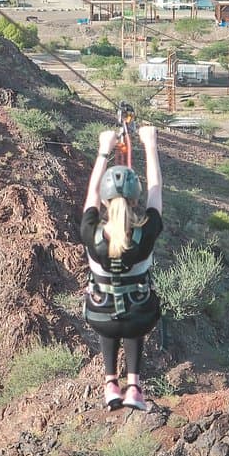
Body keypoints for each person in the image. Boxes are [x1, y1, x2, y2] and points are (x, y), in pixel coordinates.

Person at [80, 124, 163, 411]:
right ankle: (134, 388)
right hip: (140, 315)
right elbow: (156, 191)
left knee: (110, 322)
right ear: (136, 200)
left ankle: (110, 385)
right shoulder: (147, 231)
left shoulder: (91, 232)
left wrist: (104, 150)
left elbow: (90, 193)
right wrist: (150, 145)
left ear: (105, 201)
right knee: (131, 320)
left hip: (98, 314)